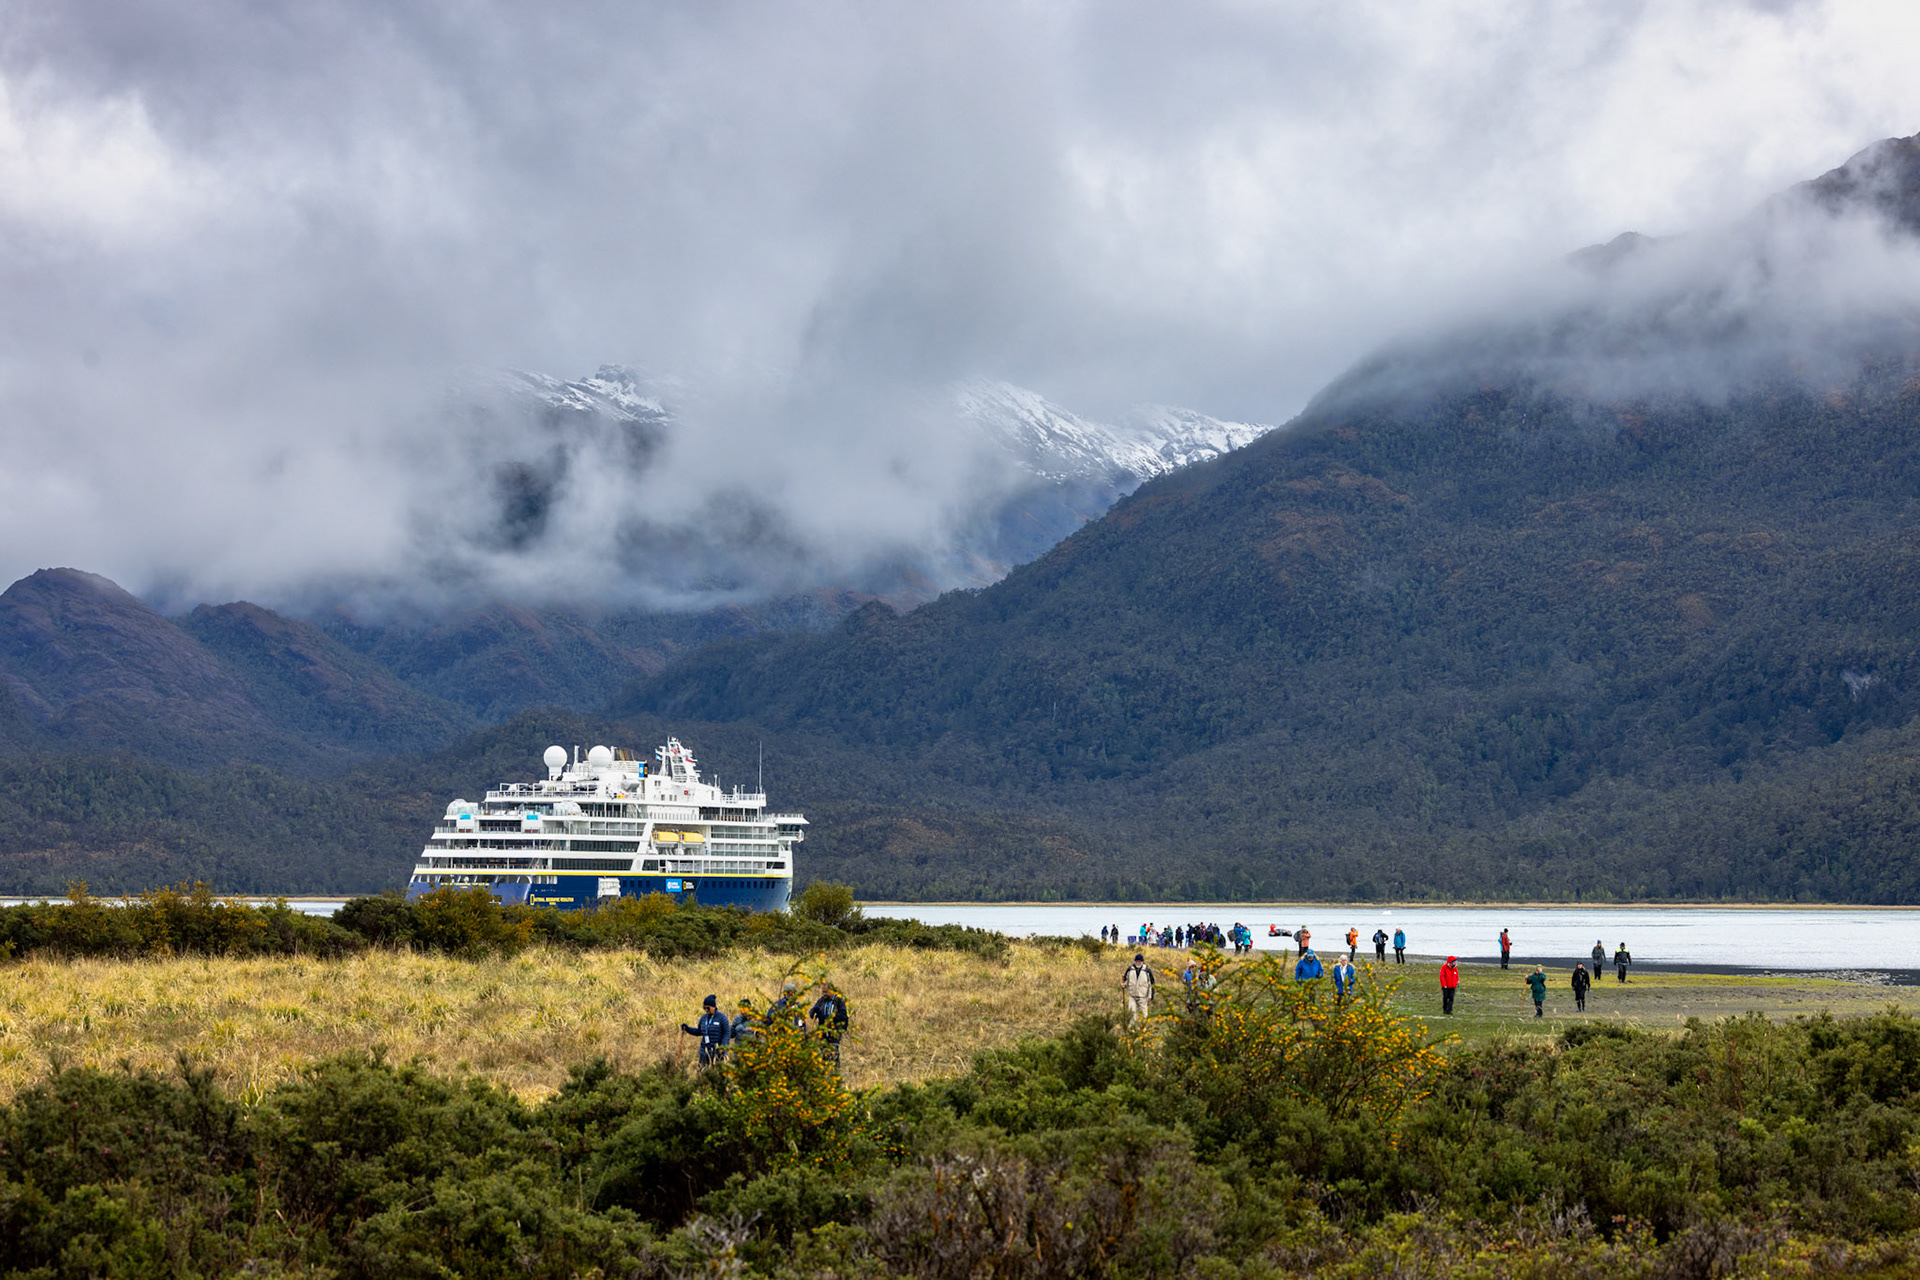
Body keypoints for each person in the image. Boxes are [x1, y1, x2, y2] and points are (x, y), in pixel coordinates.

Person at [681, 994, 732, 1067]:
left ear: (713, 1007)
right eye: (704, 1008)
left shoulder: (722, 1018)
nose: (706, 1010)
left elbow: (727, 1033)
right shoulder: (703, 1018)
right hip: (705, 1050)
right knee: (702, 1071)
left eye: (708, 1008)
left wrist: (723, 1047)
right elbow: (699, 1032)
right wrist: (687, 1029)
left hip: (718, 1051)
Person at [809, 982, 850, 1065]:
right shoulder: (821, 1000)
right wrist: (813, 1011)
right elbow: (811, 1013)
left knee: (833, 1052)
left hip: (835, 1031)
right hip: (823, 1031)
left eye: (826, 992)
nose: (824, 994)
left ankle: (835, 1071)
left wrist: (829, 1017)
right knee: (823, 1053)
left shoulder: (839, 1001)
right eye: (823, 992)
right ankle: (825, 1072)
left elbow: (843, 1016)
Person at [1121, 952, 1156, 1025]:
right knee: (1132, 1014)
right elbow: (1126, 979)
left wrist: (1151, 995)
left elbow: (1151, 984)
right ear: (1134, 961)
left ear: (1142, 962)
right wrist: (1124, 984)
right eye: (1137, 961)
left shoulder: (1147, 970)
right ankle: (1132, 1031)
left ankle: (1143, 1031)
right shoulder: (1130, 969)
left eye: (1140, 961)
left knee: (1144, 1015)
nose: (1138, 962)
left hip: (1143, 997)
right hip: (1132, 996)